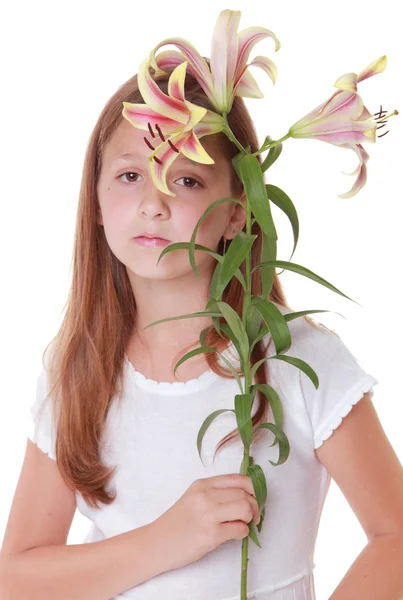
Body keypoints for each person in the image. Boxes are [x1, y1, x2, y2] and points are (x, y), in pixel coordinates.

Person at [0, 61, 402, 600]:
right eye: (129, 175)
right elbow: (18, 578)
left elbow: (395, 537)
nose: (153, 202)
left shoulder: (294, 358)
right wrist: (166, 540)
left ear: (239, 210)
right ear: (95, 201)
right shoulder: (77, 370)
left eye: (185, 178)